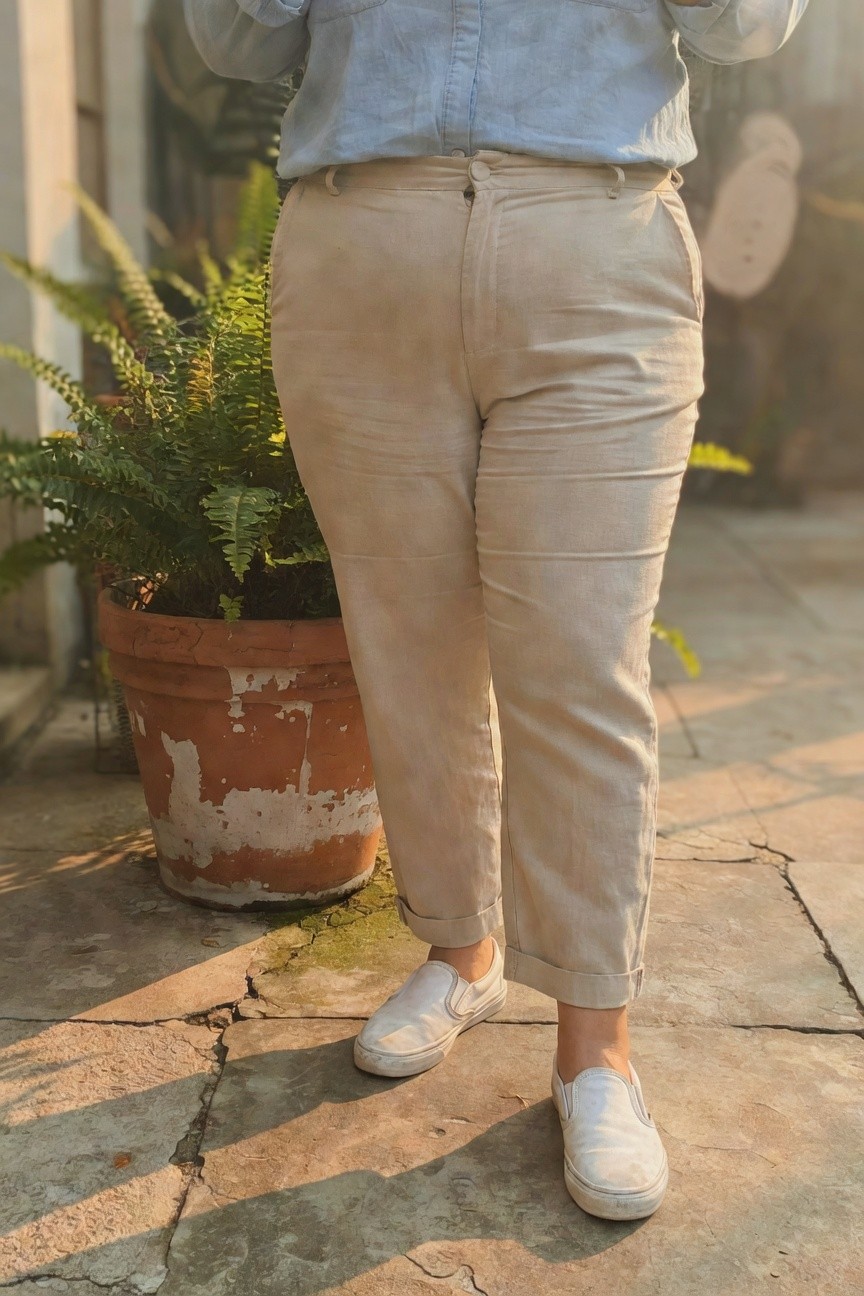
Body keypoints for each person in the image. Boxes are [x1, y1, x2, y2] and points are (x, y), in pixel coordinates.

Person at [184, 0, 809, 1221]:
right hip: (364, 245)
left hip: (598, 234)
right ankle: (460, 946)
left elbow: (744, 28)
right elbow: (239, 40)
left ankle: (596, 1045)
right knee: (406, 643)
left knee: (581, 656)